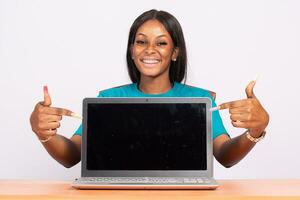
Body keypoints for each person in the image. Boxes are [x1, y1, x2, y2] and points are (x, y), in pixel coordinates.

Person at [30, 9, 269, 168]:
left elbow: (224, 156)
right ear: (132, 49)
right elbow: (72, 154)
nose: (149, 50)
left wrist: (255, 131)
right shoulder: (108, 99)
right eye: (141, 41)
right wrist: (44, 134)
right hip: (116, 195)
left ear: (175, 52)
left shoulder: (200, 99)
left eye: (162, 43)